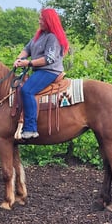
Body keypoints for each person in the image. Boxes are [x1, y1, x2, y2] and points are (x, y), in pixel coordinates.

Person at [13, 8, 69, 139]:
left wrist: (28, 63)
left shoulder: (53, 37)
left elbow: (49, 59)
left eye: (41, 19)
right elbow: (27, 49)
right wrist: (19, 58)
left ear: (48, 21)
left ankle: (30, 128)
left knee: (27, 90)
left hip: (50, 71)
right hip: (39, 70)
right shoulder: (39, 35)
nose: (39, 21)